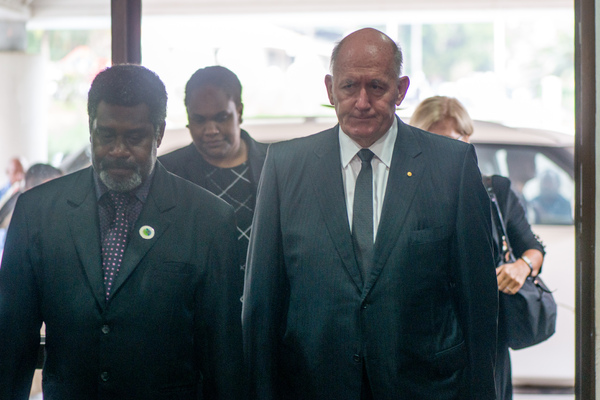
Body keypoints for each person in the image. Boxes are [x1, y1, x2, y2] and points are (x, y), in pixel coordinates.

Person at [242, 28, 498, 399]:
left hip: (424, 386)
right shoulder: (285, 165)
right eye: (349, 87)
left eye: (376, 87)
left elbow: (477, 301)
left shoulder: (451, 166)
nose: (362, 101)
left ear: (401, 89)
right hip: (313, 384)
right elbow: (263, 301)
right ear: (330, 89)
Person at [0, 64, 243, 400]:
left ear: (158, 133)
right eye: (106, 135)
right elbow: (11, 345)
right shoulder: (37, 213)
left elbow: (223, 355)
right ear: (90, 129)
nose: (117, 150)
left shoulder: (208, 220)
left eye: (134, 137)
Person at [410, 95, 545, 400]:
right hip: (424, 332)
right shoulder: (404, 193)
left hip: (484, 333)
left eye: (451, 141)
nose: (441, 151)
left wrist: (520, 266)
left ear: (466, 139)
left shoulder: (494, 190)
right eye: (431, 140)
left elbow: (533, 248)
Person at [160, 65, 268, 276]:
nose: (211, 130)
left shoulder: (275, 165)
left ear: (239, 111)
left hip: (265, 301)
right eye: (199, 119)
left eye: (221, 117)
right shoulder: (166, 173)